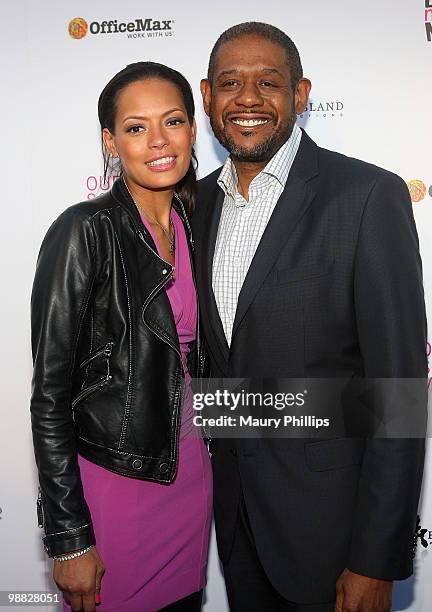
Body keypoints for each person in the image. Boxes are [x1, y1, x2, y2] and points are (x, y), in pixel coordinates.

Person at [192, 22, 427, 612]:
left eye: (268, 83)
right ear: (206, 96)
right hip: (235, 526)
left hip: (334, 536)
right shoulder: (191, 207)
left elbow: (399, 393)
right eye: (230, 84)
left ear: (300, 95)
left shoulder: (366, 196)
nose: (247, 99)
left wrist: (375, 557)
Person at [30, 61, 212, 612]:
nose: (158, 141)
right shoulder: (83, 231)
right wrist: (69, 537)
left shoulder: (197, 224)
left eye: (173, 121)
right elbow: (50, 397)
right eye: (136, 128)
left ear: (191, 129)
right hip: (117, 480)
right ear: (111, 141)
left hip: (190, 474)